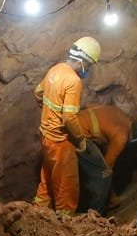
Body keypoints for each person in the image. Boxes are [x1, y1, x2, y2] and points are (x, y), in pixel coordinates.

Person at [32, 36, 101, 215]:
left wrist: (47, 108)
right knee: (66, 186)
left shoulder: (55, 69)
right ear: (82, 61)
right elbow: (69, 118)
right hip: (60, 141)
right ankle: (65, 225)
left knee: (47, 179)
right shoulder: (74, 81)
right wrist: (80, 140)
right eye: (90, 65)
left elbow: (38, 92)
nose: (89, 69)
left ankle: (35, 216)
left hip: (45, 136)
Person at [75, 105, 137, 214]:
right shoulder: (121, 138)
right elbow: (106, 169)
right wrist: (113, 196)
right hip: (78, 135)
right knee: (102, 176)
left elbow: (89, 106)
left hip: (73, 120)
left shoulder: (120, 113)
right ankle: (94, 214)